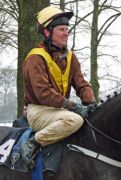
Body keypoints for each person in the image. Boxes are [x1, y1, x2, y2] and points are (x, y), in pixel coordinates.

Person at [21, 6, 96, 168]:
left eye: (67, 29)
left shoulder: (70, 56)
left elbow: (81, 84)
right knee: (75, 120)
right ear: (47, 32)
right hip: (38, 111)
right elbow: (43, 93)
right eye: (61, 29)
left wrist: (91, 104)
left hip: (59, 111)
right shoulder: (35, 58)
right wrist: (73, 106)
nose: (66, 33)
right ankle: (33, 143)